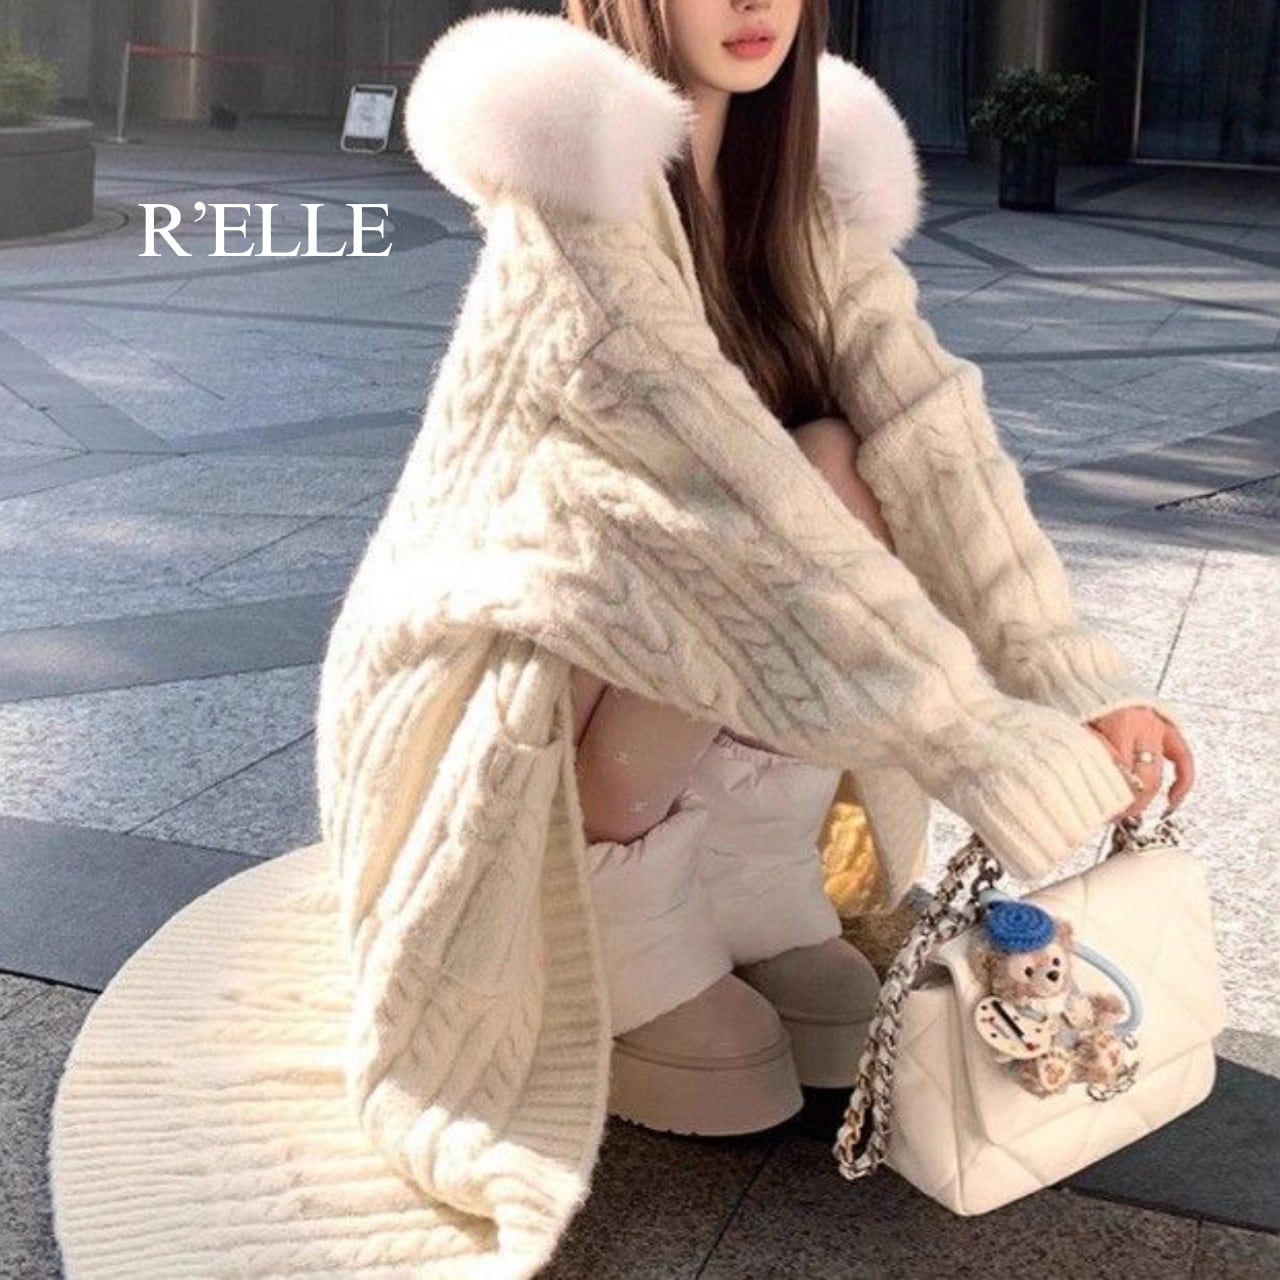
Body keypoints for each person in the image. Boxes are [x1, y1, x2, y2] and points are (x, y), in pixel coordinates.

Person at [559, 0, 1197, 1138]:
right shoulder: (566, 189)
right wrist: (975, 738)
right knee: (775, 492)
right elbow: (701, 464)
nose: (753, 4)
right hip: (576, 655)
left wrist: (1078, 683)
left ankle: (741, 862)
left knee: (851, 459)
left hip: (706, 645)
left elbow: (937, 437)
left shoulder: (800, 202)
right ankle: (612, 873)